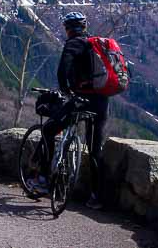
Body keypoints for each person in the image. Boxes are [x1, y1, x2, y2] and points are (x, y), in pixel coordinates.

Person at [37, 11, 109, 210]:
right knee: (95, 150)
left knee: (48, 130)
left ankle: (43, 180)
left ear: (68, 29)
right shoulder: (96, 45)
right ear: (84, 27)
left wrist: (66, 90)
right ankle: (97, 197)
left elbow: (62, 70)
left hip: (81, 100)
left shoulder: (73, 44)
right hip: (101, 102)